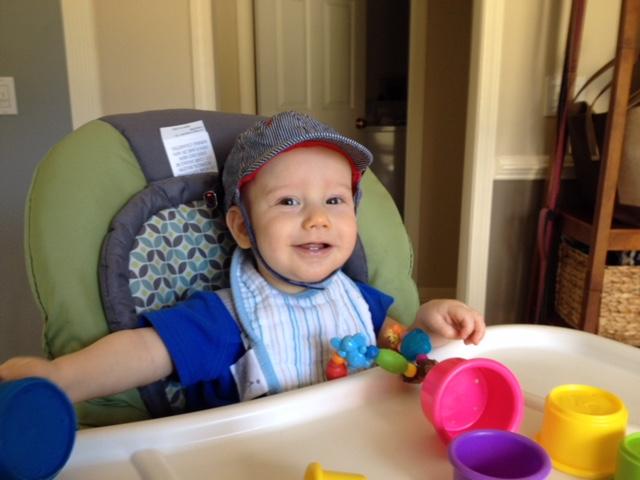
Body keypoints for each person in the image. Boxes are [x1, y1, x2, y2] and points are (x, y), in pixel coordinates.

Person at [0, 111, 485, 412]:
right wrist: (62, 378)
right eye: (290, 203)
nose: (317, 220)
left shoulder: (360, 301)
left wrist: (431, 327)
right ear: (240, 228)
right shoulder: (226, 318)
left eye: (335, 202)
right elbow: (142, 352)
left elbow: (398, 348)